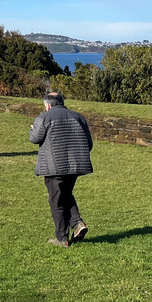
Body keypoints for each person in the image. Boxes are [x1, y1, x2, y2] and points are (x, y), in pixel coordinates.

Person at [29, 91, 93, 247]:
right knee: (65, 194)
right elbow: (88, 143)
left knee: (56, 200)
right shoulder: (79, 117)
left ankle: (61, 238)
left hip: (54, 166)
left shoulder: (44, 117)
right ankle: (77, 224)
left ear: (48, 105)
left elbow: (34, 138)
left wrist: (32, 128)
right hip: (76, 165)